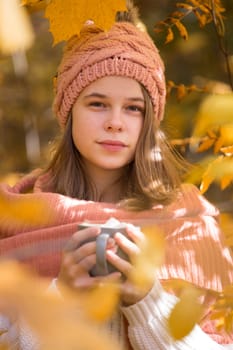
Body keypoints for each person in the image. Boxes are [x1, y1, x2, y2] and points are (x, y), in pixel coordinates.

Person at [0, 3, 233, 349]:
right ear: (68, 111)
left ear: (148, 120)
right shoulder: (14, 217)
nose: (115, 122)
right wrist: (61, 298)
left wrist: (147, 301)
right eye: (97, 103)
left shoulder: (190, 224)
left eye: (133, 108)